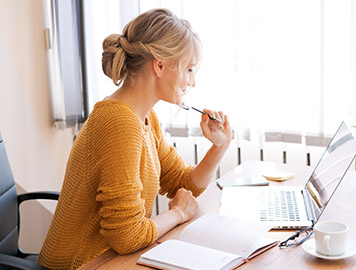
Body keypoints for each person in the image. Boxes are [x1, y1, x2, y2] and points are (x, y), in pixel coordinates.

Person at [39, 8, 232, 270]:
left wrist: (219, 147)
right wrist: (177, 214)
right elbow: (127, 237)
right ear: (160, 65)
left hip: (113, 260)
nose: (193, 81)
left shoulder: (144, 118)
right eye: (188, 69)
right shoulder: (118, 123)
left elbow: (182, 183)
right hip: (82, 264)